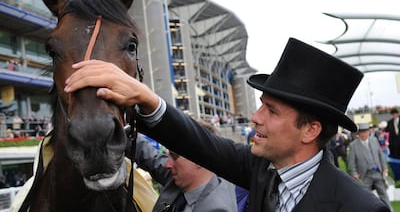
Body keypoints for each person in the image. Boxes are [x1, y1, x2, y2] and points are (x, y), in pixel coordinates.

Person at [65, 37, 390, 211]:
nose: (255, 117)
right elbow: (197, 142)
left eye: (272, 111)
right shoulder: (260, 170)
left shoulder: (358, 207)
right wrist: (145, 99)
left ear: (310, 130)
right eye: (260, 105)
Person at [133, 119, 237, 212]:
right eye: (168, 155)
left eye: (175, 157)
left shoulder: (217, 208)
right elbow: (148, 155)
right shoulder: (181, 178)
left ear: (201, 159)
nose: (167, 164)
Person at [348, 123, 393, 211]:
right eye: (361, 132)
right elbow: (351, 163)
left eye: (365, 132)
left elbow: (381, 156)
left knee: (384, 195)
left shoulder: (374, 140)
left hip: (377, 172)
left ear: (369, 132)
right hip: (364, 176)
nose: (363, 134)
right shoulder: (353, 145)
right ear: (358, 134)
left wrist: (385, 168)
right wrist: (354, 173)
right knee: (365, 198)